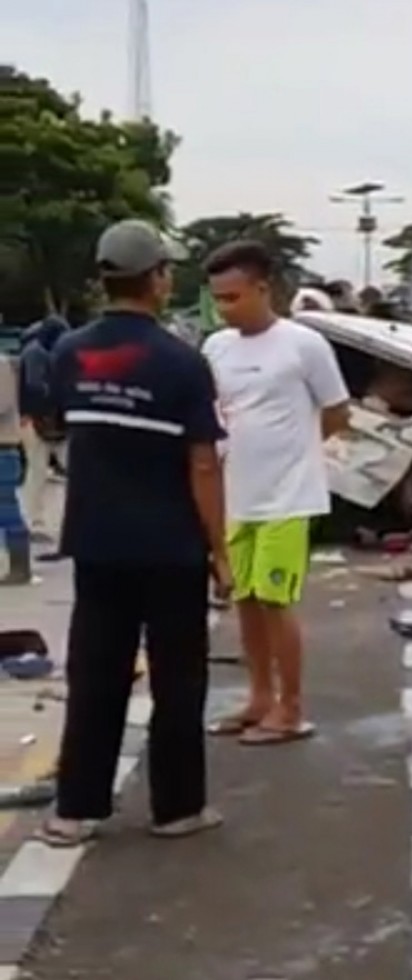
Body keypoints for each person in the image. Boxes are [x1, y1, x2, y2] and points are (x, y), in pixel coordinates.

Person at [36, 219, 230, 847]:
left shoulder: (70, 353)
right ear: (157, 279)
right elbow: (203, 463)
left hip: (95, 542)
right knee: (178, 680)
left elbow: (60, 424)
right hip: (171, 548)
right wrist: (221, 553)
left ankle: (74, 810)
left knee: (95, 674)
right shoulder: (183, 363)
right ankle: (177, 809)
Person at [201, 240, 350, 745]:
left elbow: (336, 413)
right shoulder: (216, 348)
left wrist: (296, 455)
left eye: (234, 297)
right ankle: (259, 697)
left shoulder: (304, 345)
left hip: (288, 497)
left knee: (274, 598)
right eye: (218, 299)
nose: (225, 308)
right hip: (236, 496)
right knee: (244, 599)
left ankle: (291, 707)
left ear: (263, 289)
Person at [17, 316, 69, 541]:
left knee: (51, 470)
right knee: (37, 470)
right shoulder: (34, 354)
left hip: (55, 420)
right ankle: (34, 522)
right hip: (35, 419)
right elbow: (35, 387)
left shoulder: (52, 352)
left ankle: (66, 520)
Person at [0, 354, 31, 585]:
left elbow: (1, 404)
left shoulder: (1, 365)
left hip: (3, 447)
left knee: (6, 508)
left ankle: (20, 567)